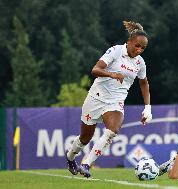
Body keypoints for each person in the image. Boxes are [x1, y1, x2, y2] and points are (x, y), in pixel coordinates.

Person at [65, 21, 152, 178]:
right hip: (95, 98)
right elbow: (95, 69)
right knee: (85, 138)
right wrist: (112, 74)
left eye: (143, 48)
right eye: (137, 46)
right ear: (129, 41)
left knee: (112, 131)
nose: (139, 50)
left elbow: (144, 83)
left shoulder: (140, 63)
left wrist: (147, 108)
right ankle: (70, 158)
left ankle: (86, 164)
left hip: (115, 102)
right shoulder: (116, 51)